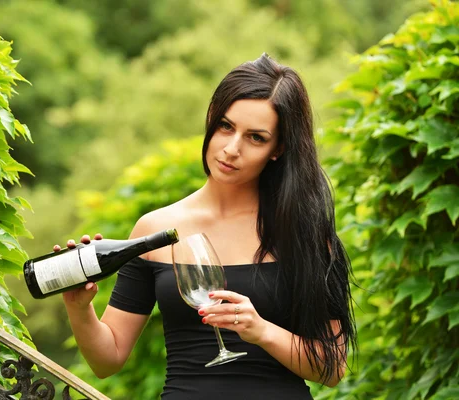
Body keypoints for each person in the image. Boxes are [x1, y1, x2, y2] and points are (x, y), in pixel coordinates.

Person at [56, 53, 357, 399]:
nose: (231, 149)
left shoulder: (304, 234)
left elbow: (332, 368)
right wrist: (79, 309)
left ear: (279, 148)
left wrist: (261, 330)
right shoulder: (155, 229)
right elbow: (107, 361)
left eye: (255, 138)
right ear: (211, 120)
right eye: (225, 127)